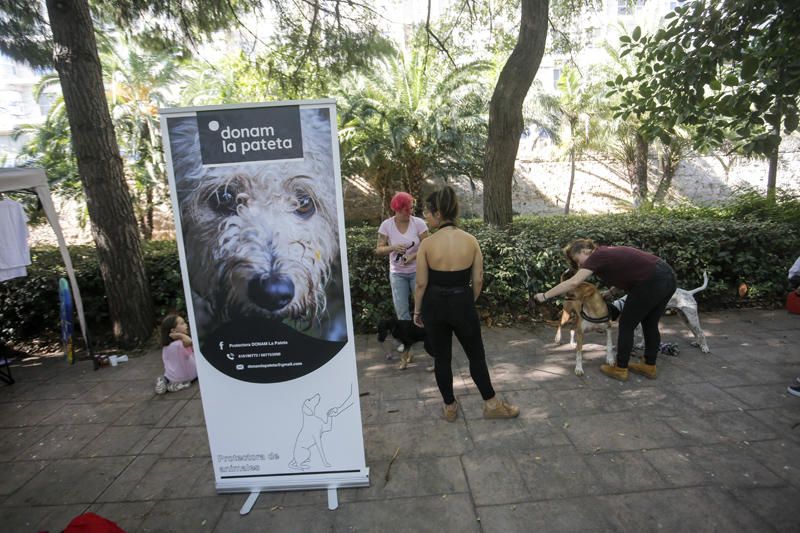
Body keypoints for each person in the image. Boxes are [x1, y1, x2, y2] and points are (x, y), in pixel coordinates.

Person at [413, 186, 519, 421]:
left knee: (442, 358)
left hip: (434, 305)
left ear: (439, 213)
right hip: (462, 301)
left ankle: (450, 407)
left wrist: (417, 310)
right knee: (476, 356)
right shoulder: (471, 241)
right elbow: (478, 279)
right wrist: (466, 301)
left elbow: (421, 284)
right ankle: (491, 405)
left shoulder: (427, 245)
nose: (425, 217)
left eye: (427, 213)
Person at [534, 238, 676, 382]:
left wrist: (544, 295)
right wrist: (611, 293)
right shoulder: (606, 255)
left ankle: (621, 369)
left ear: (585, 251)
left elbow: (574, 282)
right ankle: (649, 366)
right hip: (667, 277)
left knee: (626, 325)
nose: (579, 264)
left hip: (651, 280)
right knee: (650, 323)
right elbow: (628, 273)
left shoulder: (597, 256)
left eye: (578, 260)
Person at [376, 192, 429, 350]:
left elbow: (428, 247)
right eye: (407, 209)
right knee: (401, 309)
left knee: (424, 307)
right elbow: (379, 249)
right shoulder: (386, 225)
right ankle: (406, 341)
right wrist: (392, 247)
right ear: (398, 209)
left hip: (417, 271)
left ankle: (429, 336)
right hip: (397, 273)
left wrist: (412, 256)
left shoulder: (418, 223)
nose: (410, 212)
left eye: (412, 208)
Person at [155, 314, 198, 394]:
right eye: (182, 323)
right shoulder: (181, 344)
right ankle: (173, 385)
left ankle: (165, 381)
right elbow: (191, 342)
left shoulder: (166, 347)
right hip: (192, 376)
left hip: (173, 378)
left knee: (167, 374)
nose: (186, 325)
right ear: (173, 331)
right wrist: (181, 336)